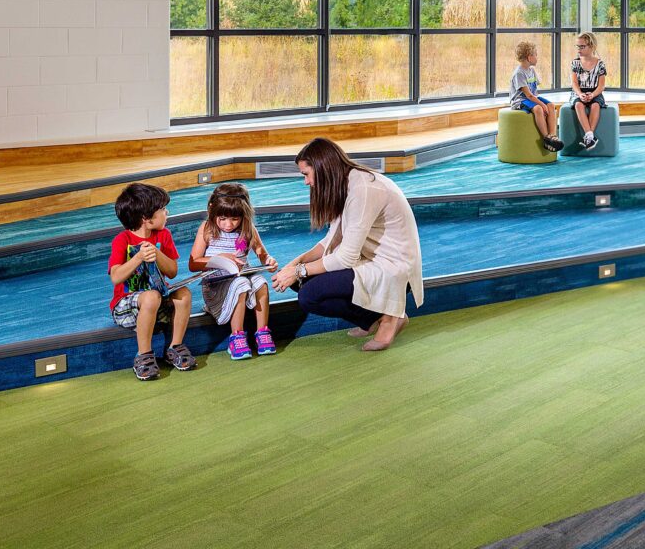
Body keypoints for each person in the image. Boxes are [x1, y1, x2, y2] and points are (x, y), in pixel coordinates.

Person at [271, 138, 424, 352]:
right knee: (299, 281)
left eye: (306, 174)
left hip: (393, 267)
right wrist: (295, 265)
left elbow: (346, 257)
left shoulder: (363, 189)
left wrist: (299, 270)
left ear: (323, 168)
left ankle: (390, 318)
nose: (306, 182)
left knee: (309, 296)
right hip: (370, 259)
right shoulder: (344, 185)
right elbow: (329, 242)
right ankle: (371, 319)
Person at [108, 182, 195, 381]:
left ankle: (175, 346)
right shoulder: (122, 240)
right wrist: (138, 258)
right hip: (127, 308)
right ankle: (144, 354)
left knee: (183, 294)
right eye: (162, 209)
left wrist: (156, 252)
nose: (167, 212)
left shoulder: (164, 235)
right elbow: (116, 277)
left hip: (157, 301)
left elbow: (172, 272)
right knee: (151, 297)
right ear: (146, 219)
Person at [189, 183, 278, 361]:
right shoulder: (207, 229)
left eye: (234, 219)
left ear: (243, 215)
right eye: (222, 218)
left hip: (240, 280)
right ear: (212, 210)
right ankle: (236, 336)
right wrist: (220, 258)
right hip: (215, 286)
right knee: (241, 283)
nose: (228, 225)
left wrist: (269, 261)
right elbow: (193, 263)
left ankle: (262, 332)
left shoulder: (248, 229)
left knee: (260, 281)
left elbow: (262, 254)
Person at [511, 39, 563, 152]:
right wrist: (541, 104)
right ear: (529, 57)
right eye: (536, 55)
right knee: (539, 108)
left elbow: (534, 93)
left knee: (551, 106)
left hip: (532, 97)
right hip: (520, 100)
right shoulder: (519, 73)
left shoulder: (532, 71)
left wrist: (545, 104)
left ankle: (553, 136)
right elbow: (528, 95)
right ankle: (546, 138)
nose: (537, 57)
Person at [568, 32, 608, 150]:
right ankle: (590, 136)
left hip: (595, 92)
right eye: (577, 46)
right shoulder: (575, 63)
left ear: (591, 46)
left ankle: (589, 138)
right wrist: (580, 94)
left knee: (595, 105)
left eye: (582, 46)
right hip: (579, 91)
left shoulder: (600, 64)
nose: (579, 49)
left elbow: (601, 86)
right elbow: (574, 83)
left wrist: (593, 94)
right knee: (579, 105)